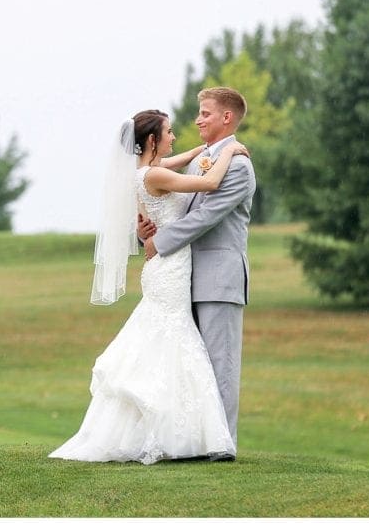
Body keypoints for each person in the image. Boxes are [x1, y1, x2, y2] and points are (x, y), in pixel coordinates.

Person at [49, 108, 249, 464]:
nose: (175, 137)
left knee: (164, 341)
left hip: (165, 267)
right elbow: (208, 184)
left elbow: (184, 162)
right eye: (169, 132)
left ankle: (181, 433)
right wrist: (230, 152)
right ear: (153, 140)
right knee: (173, 342)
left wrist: (203, 153)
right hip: (170, 268)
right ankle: (186, 436)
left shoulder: (143, 173)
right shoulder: (155, 174)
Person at [141, 87, 256, 460]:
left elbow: (206, 216)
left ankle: (222, 446)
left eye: (205, 113)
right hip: (184, 276)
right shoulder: (199, 161)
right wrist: (146, 232)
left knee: (220, 364)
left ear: (226, 118)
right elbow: (170, 203)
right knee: (193, 365)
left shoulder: (238, 165)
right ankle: (193, 440)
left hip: (219, 278)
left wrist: (161, 243)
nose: (197, 119)